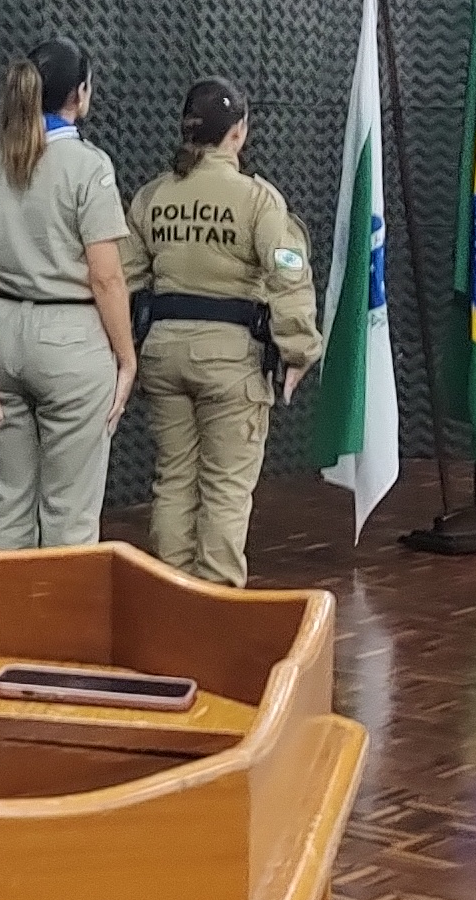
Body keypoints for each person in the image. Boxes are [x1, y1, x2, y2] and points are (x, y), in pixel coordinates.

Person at [122, 79, 324, 585]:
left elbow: (126, 278)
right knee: (226, 490)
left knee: (173, 482)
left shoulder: (153, 196)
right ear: (239, 132)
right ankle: (215, 604)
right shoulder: (258, 200)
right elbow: (288, 276)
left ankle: (169, 597)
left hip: (163, 354)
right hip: (232, 362)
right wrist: (299, 350)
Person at [0, 37, 137, 550]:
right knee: (70, 510)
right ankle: (61, 604)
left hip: (0, 330)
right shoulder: (89, 166)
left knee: (6, 501)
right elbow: (107, 277)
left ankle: (9, 600)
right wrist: (127, 357)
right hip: (71, 338)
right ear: (80, 94)